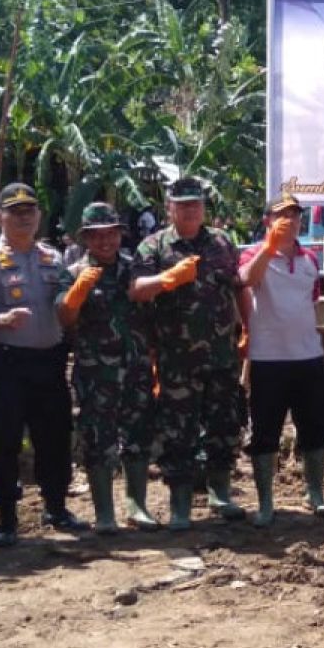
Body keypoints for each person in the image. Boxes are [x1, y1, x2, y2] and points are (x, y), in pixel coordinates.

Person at [0, 183, 88, 547]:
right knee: (3, 441)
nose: (23, 217)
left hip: (49, 363)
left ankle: (56, 506)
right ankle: (6, 517)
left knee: (55, 437)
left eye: (29, 210)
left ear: (38, 217)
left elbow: (66, 305)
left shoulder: (53, 258)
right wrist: (1, 320)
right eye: (15, 211)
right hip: (6, 364)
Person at [130, 177, 245, 530]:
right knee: (178, 433)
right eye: (182, 205)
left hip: (222, 356)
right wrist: (167, 279)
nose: (190, 210)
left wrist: (248, 329)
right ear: (170, 208)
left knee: (224, 426)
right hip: (177, 360)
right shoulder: (155, 246)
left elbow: (238, 288)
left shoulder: (223, 242)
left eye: (196, 204)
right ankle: (181, 504)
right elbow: (136, 290)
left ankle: (220, 493)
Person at [55, 202, 159, 534]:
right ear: (85, 238)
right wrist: (78, 291)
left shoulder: (134, 269)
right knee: (98, 439)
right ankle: (104, 514)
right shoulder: (71, 272)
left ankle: (137, 506)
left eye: (111, 234)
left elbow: (151, 313)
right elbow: (64, 318)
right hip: (95, 371)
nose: (105, 242)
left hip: (136, 368)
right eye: (97, 236)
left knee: (138, 436)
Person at [239, 192, 324, 523]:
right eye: (282, 215)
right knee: (265, 431)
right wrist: (270, 246)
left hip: (307, 355)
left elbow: (312, 302)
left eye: (295, 215)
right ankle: (266, 502)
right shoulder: (254, 254)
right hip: (268, 358)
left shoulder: (309, 259)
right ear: (267, 221)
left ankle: (315, 492)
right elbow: (247, 279)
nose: (290, 221)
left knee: (315, 427)